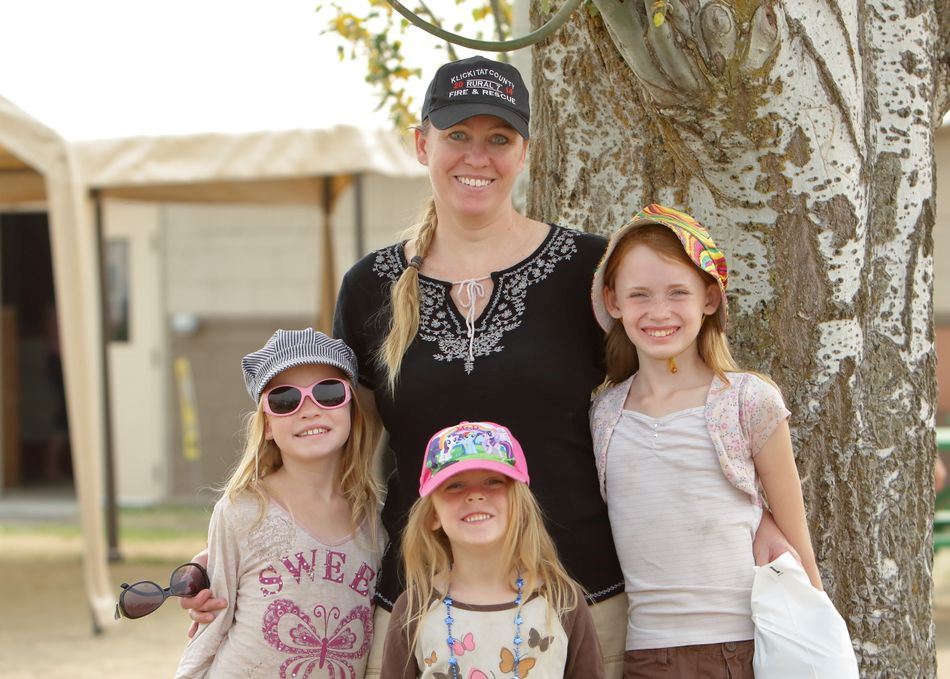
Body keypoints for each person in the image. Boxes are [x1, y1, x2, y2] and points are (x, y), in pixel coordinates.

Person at [182, 56, 794, 679]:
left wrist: (755, 505)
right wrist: (239, 544)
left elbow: (664, 399)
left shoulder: (586, 271)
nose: (477, 157)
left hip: (580, 603)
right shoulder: (370, 286)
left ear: (525, 150)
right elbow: (341, 451)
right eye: (457, 136)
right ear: (423, 144)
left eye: (498, 139)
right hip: (419, 609)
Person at [589, 204, 823, 678]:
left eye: (679, 292)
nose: (659, 312)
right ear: (613, 302)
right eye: (639, 295)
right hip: (643, 654)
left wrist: (817, 636)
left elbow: (798, 542)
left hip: (741, 650)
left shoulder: (748, 401)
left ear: (709, 299)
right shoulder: (603, 414)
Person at [175, 329, 382, 678]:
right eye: (285, 400)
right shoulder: (242, 511)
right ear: (267, 425)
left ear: (351, 409)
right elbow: (213, 622)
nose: (309, 410)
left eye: (328, 393)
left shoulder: (378, 520)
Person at [380, 421, 604, 679]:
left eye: (493, 481)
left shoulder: (562, 600)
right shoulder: (413, 609)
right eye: (455, 485)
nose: (475, 495)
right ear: (432, 515)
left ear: (520, 505)